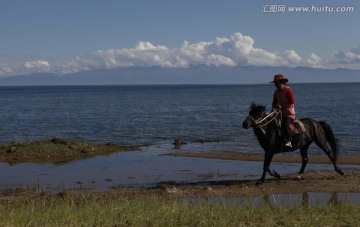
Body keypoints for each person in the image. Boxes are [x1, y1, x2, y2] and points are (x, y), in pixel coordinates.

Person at [270, 74, 296, 148]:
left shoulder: (287, 89)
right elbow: (274, 102)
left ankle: (289, 140)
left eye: (276, 83)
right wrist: (273, 109)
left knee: (285, 125)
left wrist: (282, 107)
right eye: (275, 83)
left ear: (281, 82)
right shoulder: (276, 91)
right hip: (279, 112)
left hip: (288, 113)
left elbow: (292, 101)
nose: (275, 84)